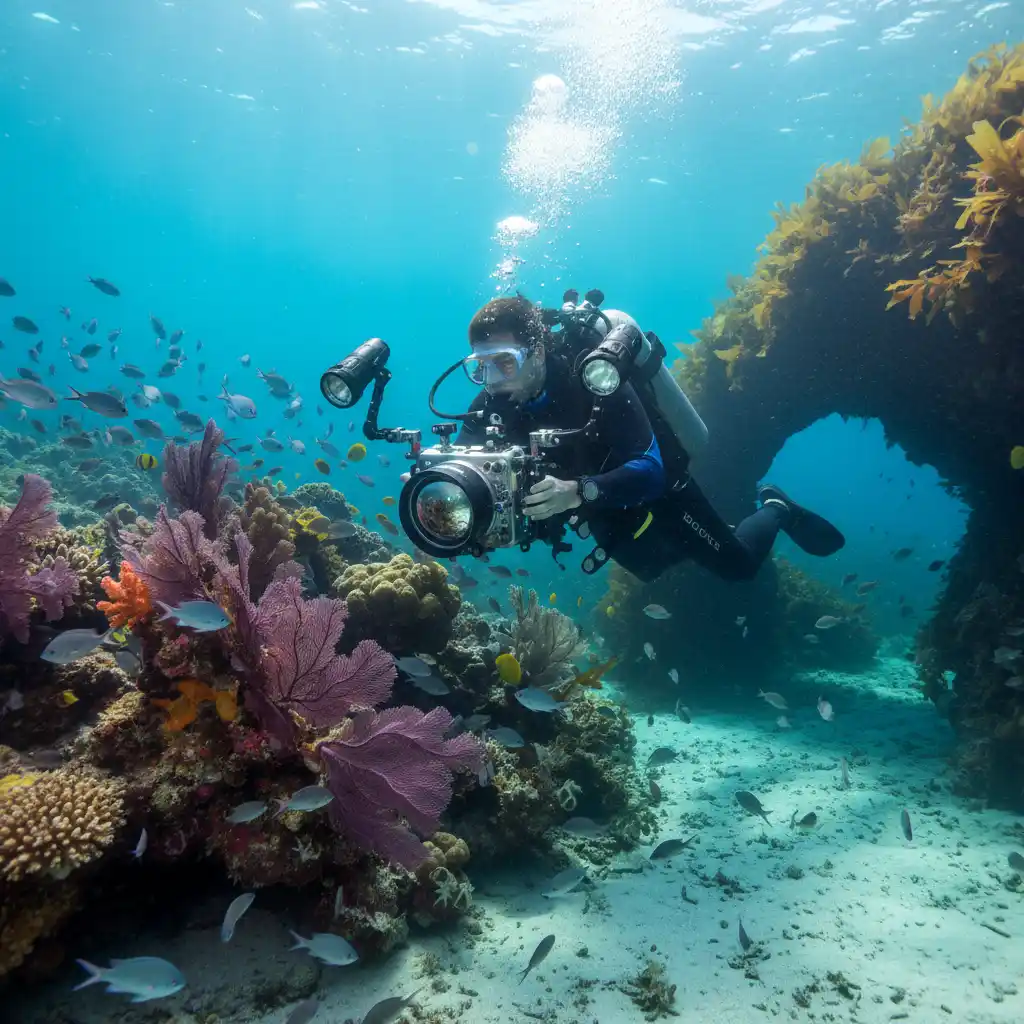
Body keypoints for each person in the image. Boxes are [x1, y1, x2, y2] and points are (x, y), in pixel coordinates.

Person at [457, 295, 844, 583]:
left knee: (737, 566)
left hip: (661, 493)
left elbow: (651, 469)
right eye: (481, 366)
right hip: (601, 506)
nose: (493, 379)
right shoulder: (492, 401)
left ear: (537, 352)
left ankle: (776, 506)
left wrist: (577, 491)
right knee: (654, 569)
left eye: (505, 361)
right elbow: (462, 466)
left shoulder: (594, 379)